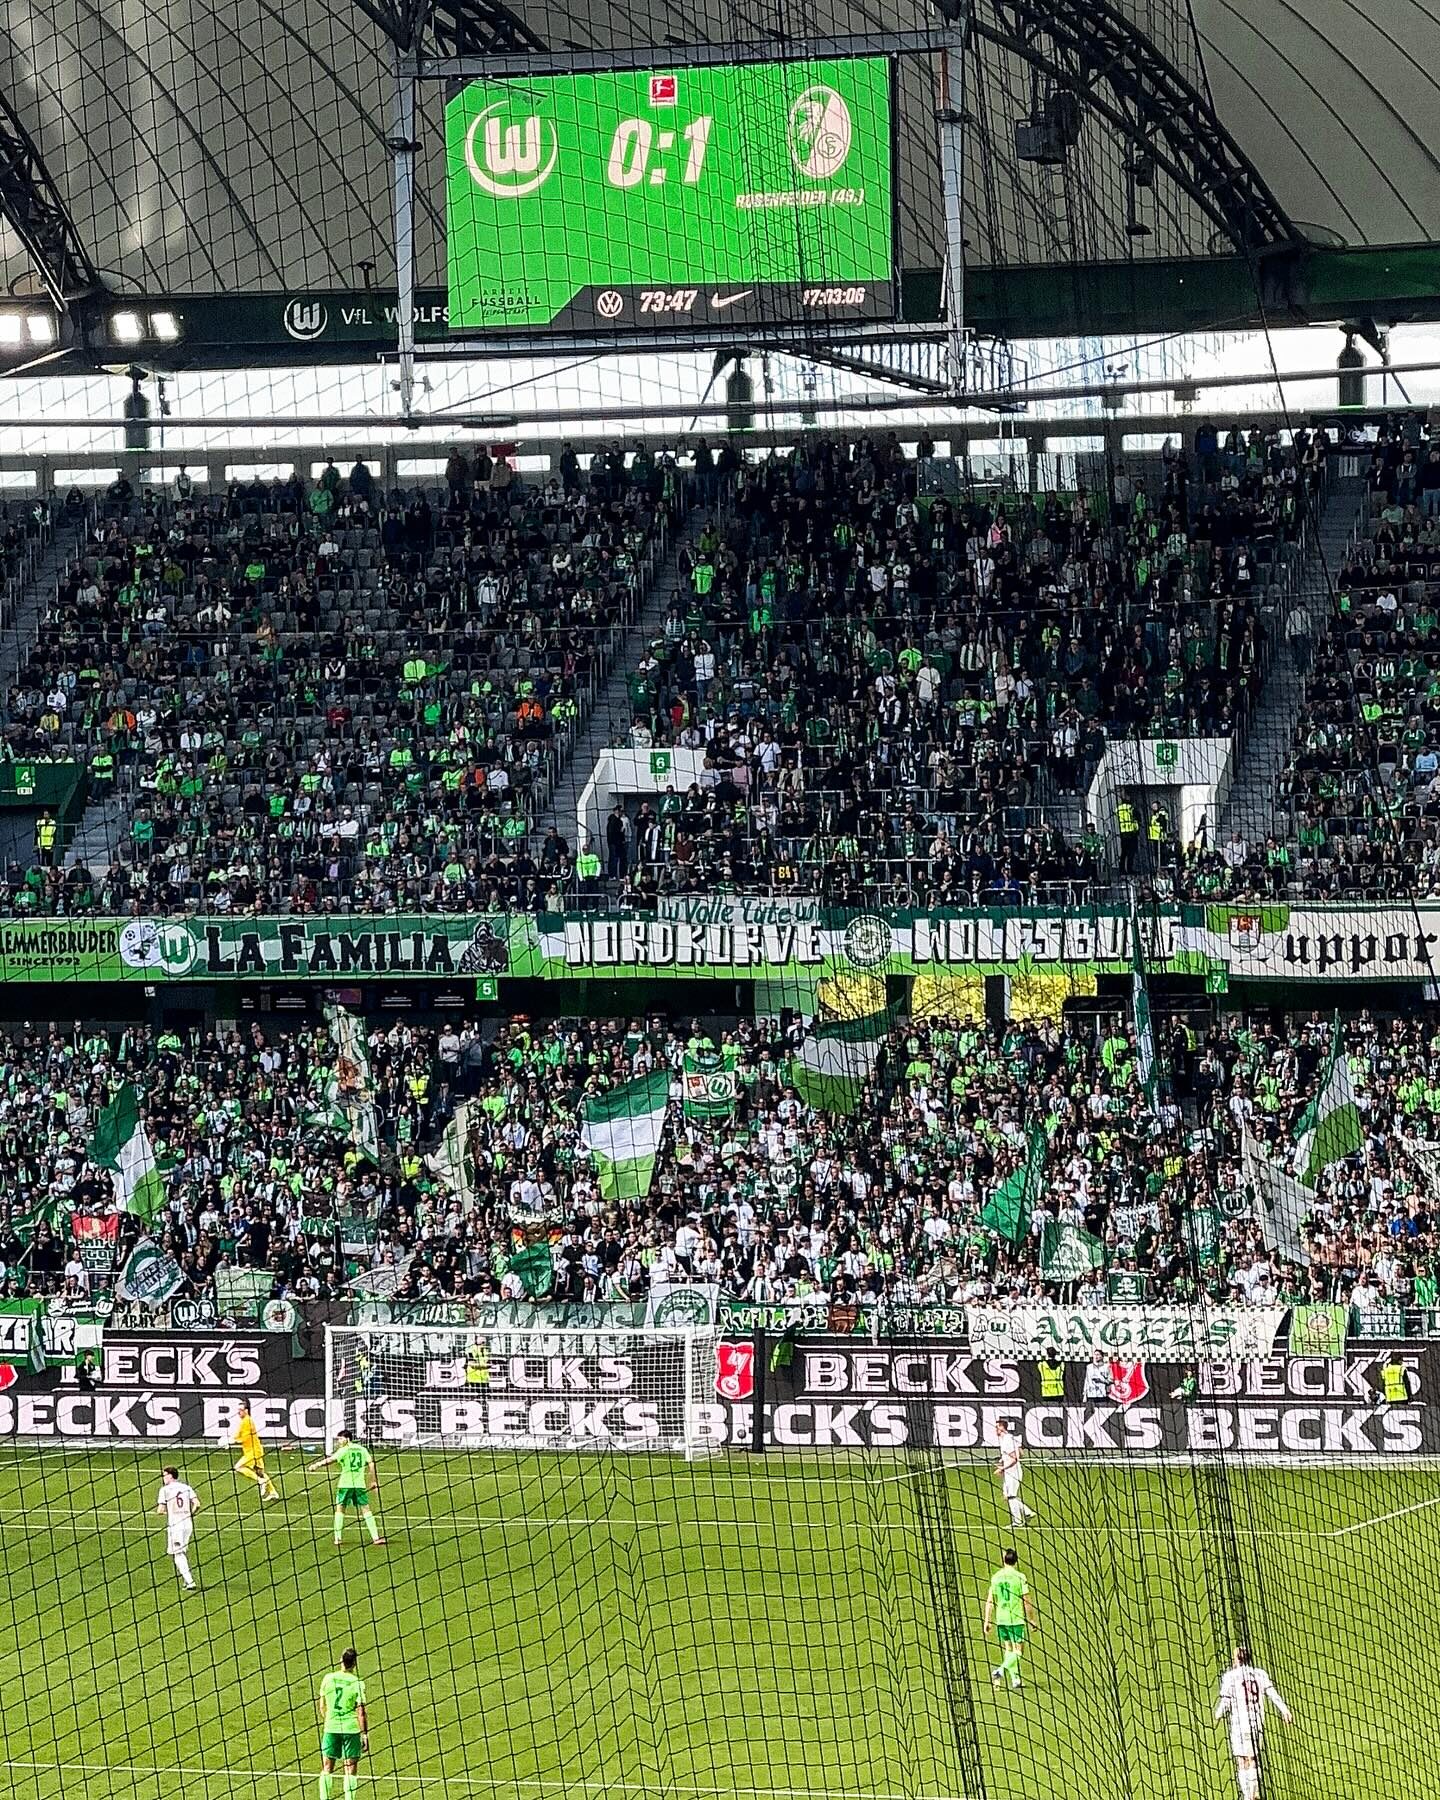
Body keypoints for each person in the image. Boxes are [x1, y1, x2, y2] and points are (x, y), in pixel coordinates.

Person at [1215, 1645, 1291, 1800]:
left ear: (1237, 1659)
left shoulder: (1230, 1676)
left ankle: (1247, 1796)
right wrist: (1285, 1710)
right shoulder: (1260, 1674)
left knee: (1242, 1761)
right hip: (1256, 1724)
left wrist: (1218, 1715)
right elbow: (1272, 1693)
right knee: (1253, 1760)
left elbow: (1226, 1701)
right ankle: (1254, 1793)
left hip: (1239, 1725)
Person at [309, 1432, 385, 1548]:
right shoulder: (362, 1449)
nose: (339, 1441)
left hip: (345, 1484)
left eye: (340, 1439)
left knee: (340, 1509)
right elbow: (371, 1464)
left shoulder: (344, 1450)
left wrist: (317, 1465)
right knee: (366, 1509)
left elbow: (330, 1460)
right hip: (359, 1485)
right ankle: (375, 1537)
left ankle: (337, 1538)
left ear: (347, 1439)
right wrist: (373, 1481)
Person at [317, 1646, 369, 1800]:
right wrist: (364, 1735)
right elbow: (361, 1712)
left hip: (331, 1728)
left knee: (327, 1767)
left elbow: (322, 1705)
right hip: (350, 1729)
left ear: (341, 1661)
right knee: (350, 1768)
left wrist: (330, 1719)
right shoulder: (357, 1683)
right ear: (354, 1664)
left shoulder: (328, 1678)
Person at [983, 1548, 1036, 1690]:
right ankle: (1000, 1671)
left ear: (1003, 1559)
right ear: (1016, 1560)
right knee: (1018, 1651)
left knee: (1008, 1649)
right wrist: (1032, 1620)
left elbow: (990, 1601)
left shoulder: (996, 1577)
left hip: (1001, 1619)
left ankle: (1015, 1680)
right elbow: (1027, 1601)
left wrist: (987, 1621)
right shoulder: (1020, 1577)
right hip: (1016, 1619)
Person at [154, 1465, 200, 1591]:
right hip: (188, 1524)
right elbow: (197, 1504)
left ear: (170, 1475)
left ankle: (190, 1581)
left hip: (176, 1526)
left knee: (177, 1553)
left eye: (164, 1475)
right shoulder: (186, 1487)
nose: (163, 1478)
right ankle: (187, 1581)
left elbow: (160, 1510)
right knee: (181, 1551)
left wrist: (169, 1512)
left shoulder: (165, 1490)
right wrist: (190, 1514)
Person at [233, 1398, 281, 1503]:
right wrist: (231, 1439)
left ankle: (260, 1481)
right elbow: (238, 1435)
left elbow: (245, 1438)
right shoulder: (244, 1421)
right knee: (260, 1472)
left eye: (240, 1410)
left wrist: (233, 1441)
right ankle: (273, 1492)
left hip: (253, 1451)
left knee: (238, 1467)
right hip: (255, 1450)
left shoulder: (247, 1422)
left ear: (246, 1410)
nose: (238, 1412)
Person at [994, 1418, 1034, 1528]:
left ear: (1002, 1427)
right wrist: (1003, 1460)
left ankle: (1018, 1521)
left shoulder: (1007, 1440)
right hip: (1010, 1472)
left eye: (997, 1427)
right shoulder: (1008, 1438)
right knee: (1007, 1495)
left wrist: (1002, 1468)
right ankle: (1027, 1512)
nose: (995, 1430)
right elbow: (1020, 1452)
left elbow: (1015, 1458)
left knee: (1011, 1496)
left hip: (1013, 1472)